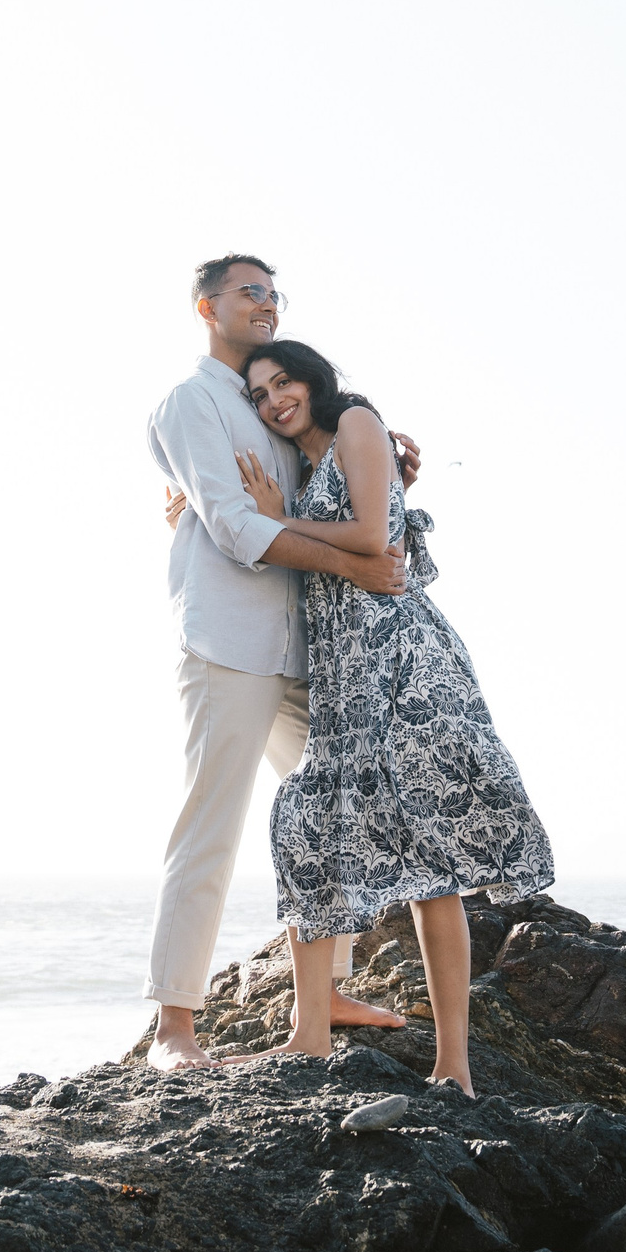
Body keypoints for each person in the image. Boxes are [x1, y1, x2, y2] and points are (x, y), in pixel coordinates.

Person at [229, 339, 553, 1097]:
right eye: (260, 393)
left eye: (284, 382)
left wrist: (281, 526)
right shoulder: (308, 467)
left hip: (404, 662)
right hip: (344, 675)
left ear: (312, 379)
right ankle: (307, 1036)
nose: (275, 399)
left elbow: (376, 539)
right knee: (311, 827)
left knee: (430, 862)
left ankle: (455, 1068)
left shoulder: (359, 425)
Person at [142, 255, 422, 1070]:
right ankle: (173, 1028)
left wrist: (387, 472)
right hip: (228, 643)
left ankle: (327, 989)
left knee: (341, 812)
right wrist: (354, 563)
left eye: (272, 293)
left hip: (309, 646)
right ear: (207, 306)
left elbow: (331, 496)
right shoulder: (190, 400)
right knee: (212, 824)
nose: (265, 303)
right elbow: (230, 525)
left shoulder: (274, 403)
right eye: (248, 292)